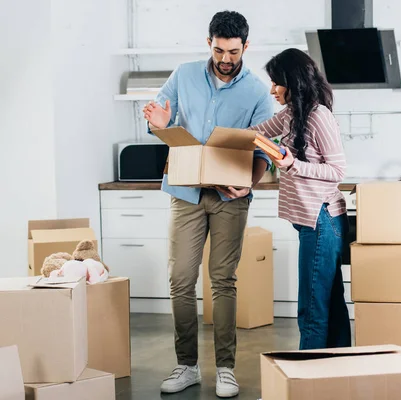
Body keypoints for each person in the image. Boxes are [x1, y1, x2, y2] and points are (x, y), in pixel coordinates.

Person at [142, 10, 273, 398]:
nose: (225, 59)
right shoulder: (183, 75)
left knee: (223, 281)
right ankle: (186, 365)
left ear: (245, 46)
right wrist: (159, 123)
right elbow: (159, 122)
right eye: (219, 50)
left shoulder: (257, 92)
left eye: (233, 51)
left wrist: (249, 183)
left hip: (229, 198)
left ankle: (226, 369)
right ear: (209, 43)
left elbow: (266, 147)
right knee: (180, 279)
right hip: (185, 194)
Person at [249, 49, 351, 350]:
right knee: (329, 301)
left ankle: (304, 383)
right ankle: (335, 371)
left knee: (312, 307)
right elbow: (255, 133)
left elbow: (338, 170)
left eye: (276, 83)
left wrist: (293, 164)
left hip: (322, 220)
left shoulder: (320, 116)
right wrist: (216, 139)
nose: (272, 90)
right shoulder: (292, 114)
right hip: (310, 221)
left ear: (293, 82)